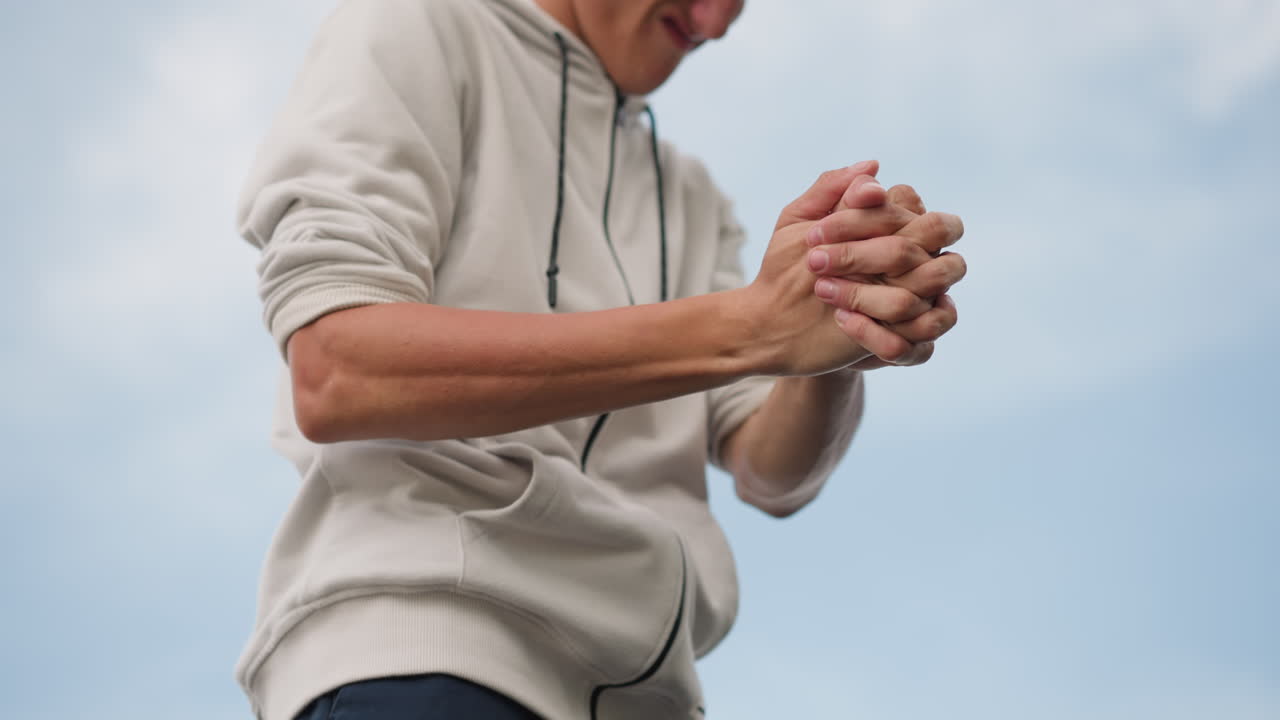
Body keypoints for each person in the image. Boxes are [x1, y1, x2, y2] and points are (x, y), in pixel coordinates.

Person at [233, 0, 966, 718]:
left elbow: (770, 471)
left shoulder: (693, 198)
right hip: (430, 658)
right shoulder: (413, 23)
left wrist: (841, 323)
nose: (715, 23)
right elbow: (338, 370)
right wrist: (752, 325)